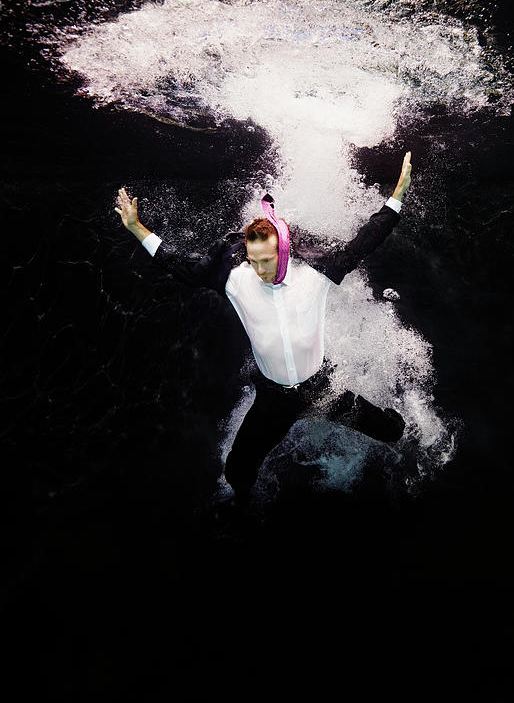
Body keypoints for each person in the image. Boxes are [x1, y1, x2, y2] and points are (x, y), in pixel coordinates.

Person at [115, 152, 412, 501]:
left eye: (267, 261)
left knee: (392, 431)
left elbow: (367, 239)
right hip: (274, 399)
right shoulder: (235, 278)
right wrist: (137, 228)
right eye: (253, 260)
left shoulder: (316, 274)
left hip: (320, 388)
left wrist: (398, 195)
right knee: (237, 472)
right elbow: (180, 266)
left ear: (284, 251)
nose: (259, 270)